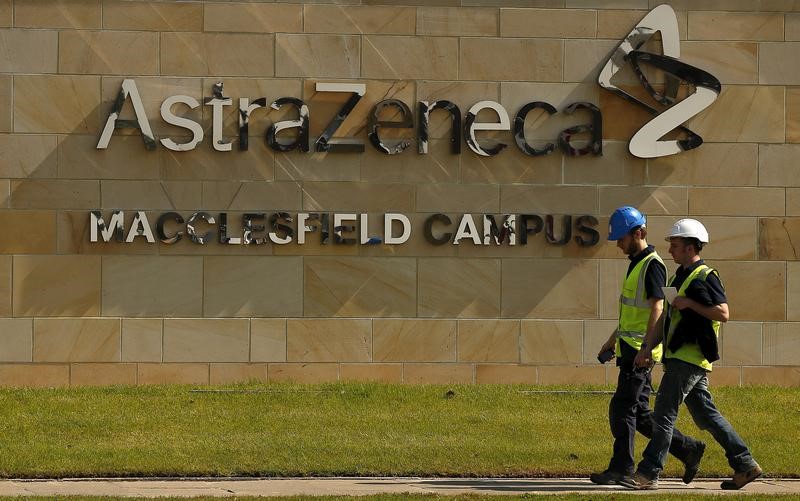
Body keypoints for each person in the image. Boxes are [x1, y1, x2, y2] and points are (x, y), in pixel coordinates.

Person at [624, 218, 762, 490]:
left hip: (688, 359)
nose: (671, 250)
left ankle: (648, 473)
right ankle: (745, 464)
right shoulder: (677, 277)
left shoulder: (706, 275)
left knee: (663, 415)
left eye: (675, 245)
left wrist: (689, 303)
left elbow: (723, 313)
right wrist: (647, 347)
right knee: (707, 416)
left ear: (690, 247)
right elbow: (667, 318)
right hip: (684, 358)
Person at [590, 207, 705, 486]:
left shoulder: (652, 264)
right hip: (630, 347)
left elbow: (657, 307)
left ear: (638, 233)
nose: (618, 244)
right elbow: (634, 311)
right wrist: (612, 339)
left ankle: (622, 468)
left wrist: (645, 348)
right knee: (639, 414)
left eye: (621, 238)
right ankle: (687, 448)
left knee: (622, 408)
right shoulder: (637, 262)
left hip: (640, 351)